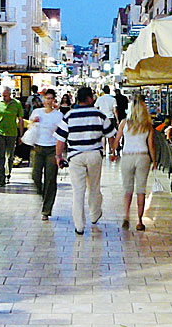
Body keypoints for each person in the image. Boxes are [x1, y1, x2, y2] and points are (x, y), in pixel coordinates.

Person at [55, 86, 117, 235]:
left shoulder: (69, 115)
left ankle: (79, 226)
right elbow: (110, 135)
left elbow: (61, 139)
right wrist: (113, 151)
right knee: (94, 187)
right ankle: (95, 214)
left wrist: (58, 156)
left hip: (75, 156)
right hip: (94, 154)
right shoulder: (99, 115)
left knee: (78, 191)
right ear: (89, 98)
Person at [113, 95, 156, 231]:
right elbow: (151, 145)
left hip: (127, 157)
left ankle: (126, 216)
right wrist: (154, 160)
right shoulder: (148, 125)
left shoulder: (124, 123)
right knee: (141, 190)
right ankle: (139, 221)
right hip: (143, 157)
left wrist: (112, 153)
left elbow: (117, 140)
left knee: (128, 189)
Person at [29, 89, 62, 221]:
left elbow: (62, 133)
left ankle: (46, 209)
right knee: (35, 175)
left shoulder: (58, 115)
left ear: (54, 100)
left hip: (52, 149)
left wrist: (60, 152)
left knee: (50, 178)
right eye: (46, 98)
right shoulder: (37, 112)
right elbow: (30, 126)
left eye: (50, 98)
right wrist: (33, 122)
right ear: (43, 100)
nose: (48, 101)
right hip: (37, 147)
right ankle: (44, 194)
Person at [0, 85, 24, 186]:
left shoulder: (16, 104)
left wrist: (21, 134)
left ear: (10, 95)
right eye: (3, 96)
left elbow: (20, 120)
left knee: (10, 156)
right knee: (0, 155)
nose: (5, 98)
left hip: (12, 133)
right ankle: (1, 178)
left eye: (6, 96)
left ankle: (8, 174)